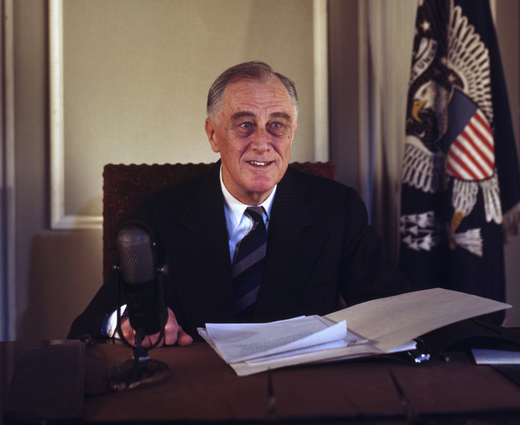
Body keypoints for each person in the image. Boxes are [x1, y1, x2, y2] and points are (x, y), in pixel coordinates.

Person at [68, 61, 411, 346]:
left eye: (276, 125)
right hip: (200, 395)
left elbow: (395, 310)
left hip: (299, 396)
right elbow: (91, 322)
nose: (262, 143)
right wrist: (129, 322)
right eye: (245, 125)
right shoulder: (161, 213)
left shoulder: (337, 209)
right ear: (213, 134)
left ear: (292, 133)